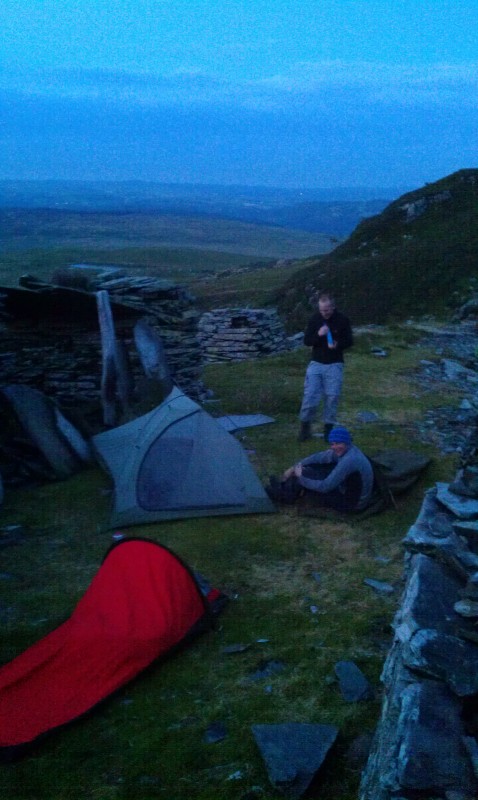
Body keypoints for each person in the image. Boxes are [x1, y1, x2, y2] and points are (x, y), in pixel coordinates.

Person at [267, 426, 374, 512]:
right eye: (332, 444)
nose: (334, 447)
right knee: (314, 466)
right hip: (346, 488)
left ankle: (285, 495)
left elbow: (324, 487)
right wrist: (294, 467)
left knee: (309, 478)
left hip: (351, 505)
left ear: (346, 442)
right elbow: (319, 457)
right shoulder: (348, 450)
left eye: (338, 443)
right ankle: (284, 486)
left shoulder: (350, 460)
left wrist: (301, 478)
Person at [298, 291, 353, 442]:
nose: (324, 313)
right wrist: (319, 335)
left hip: (335, 363)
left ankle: (328, 430)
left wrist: (338, 344)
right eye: (322, 310)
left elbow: (349, 340)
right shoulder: (315, 319)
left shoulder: (342, 320)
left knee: (332, 396)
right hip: (316, 363)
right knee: (310, 396)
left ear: (333, 307)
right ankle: (305, 428)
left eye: (327, 310)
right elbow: (307, 341)